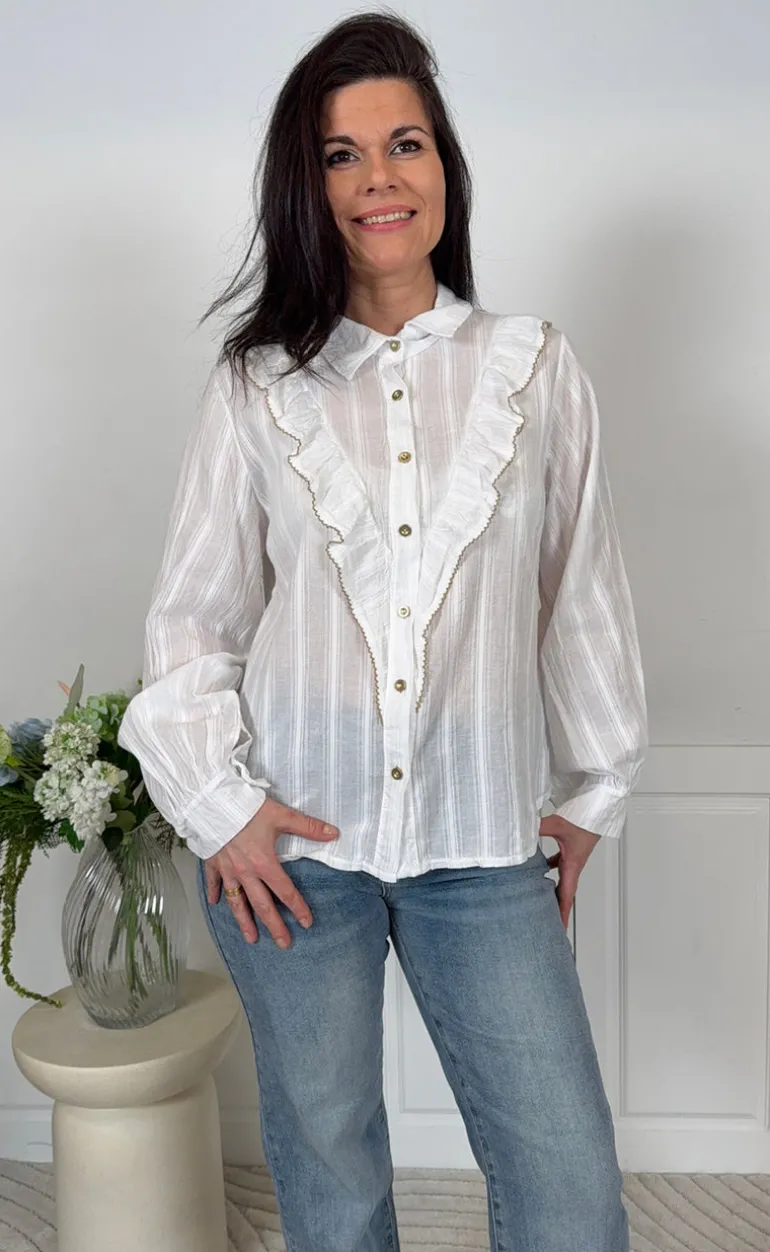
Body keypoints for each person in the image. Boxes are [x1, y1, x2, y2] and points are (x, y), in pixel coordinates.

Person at [117, 10, 647, 1251]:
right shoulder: (254, 386)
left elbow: (578, 589)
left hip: (482, 841)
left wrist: (592, 785)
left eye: (403, 143)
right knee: (332, 1175)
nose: (377, 179)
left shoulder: (534, 367)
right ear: (307, 188)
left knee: (567, 1185)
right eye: (339, 155)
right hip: (292, 846)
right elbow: (193, 615)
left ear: (443, 164)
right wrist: (218, 805)